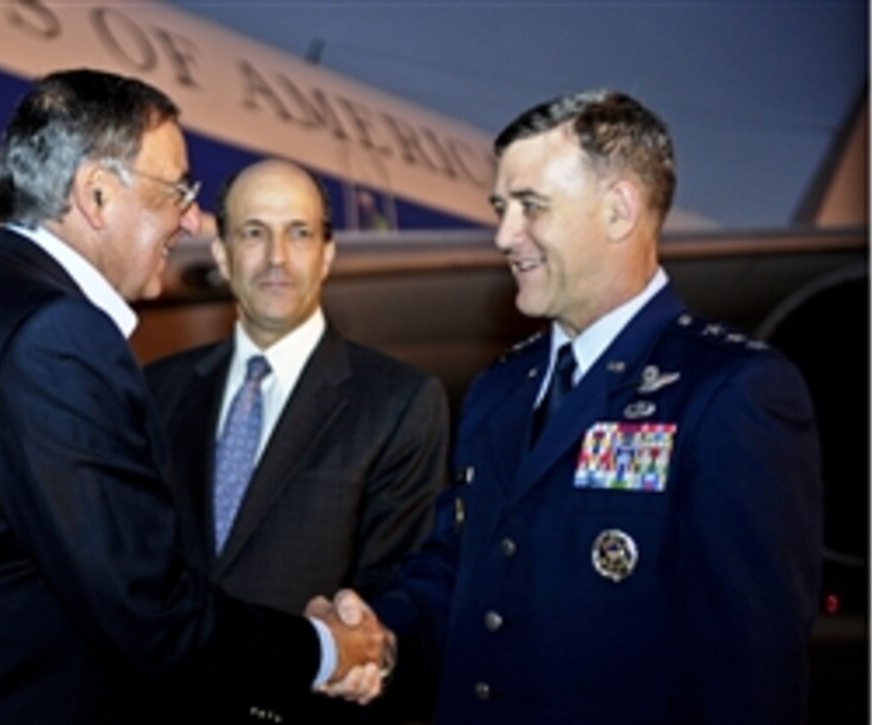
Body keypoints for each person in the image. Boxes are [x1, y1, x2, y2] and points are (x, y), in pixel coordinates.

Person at [0, 69, 385, 724]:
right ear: (95, 194)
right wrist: (326, 649)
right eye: (177, 190)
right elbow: (151, 609)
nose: (194, 218)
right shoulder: (57, 337)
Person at [328, 89, 823, 723]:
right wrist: (382, 635)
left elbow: (751, 677)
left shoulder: (732, 392)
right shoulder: (500, 390)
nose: (504, 235)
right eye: (501, 208)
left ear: (618, 210)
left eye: (530, 207)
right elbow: (456, 569)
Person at [144, 158, 450, 723]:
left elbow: (396, 595)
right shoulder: (155, 391)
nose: (277, 258)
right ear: (221, 255)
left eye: (299, 233)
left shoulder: (399, 402)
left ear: (328, 254)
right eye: (254, 233)